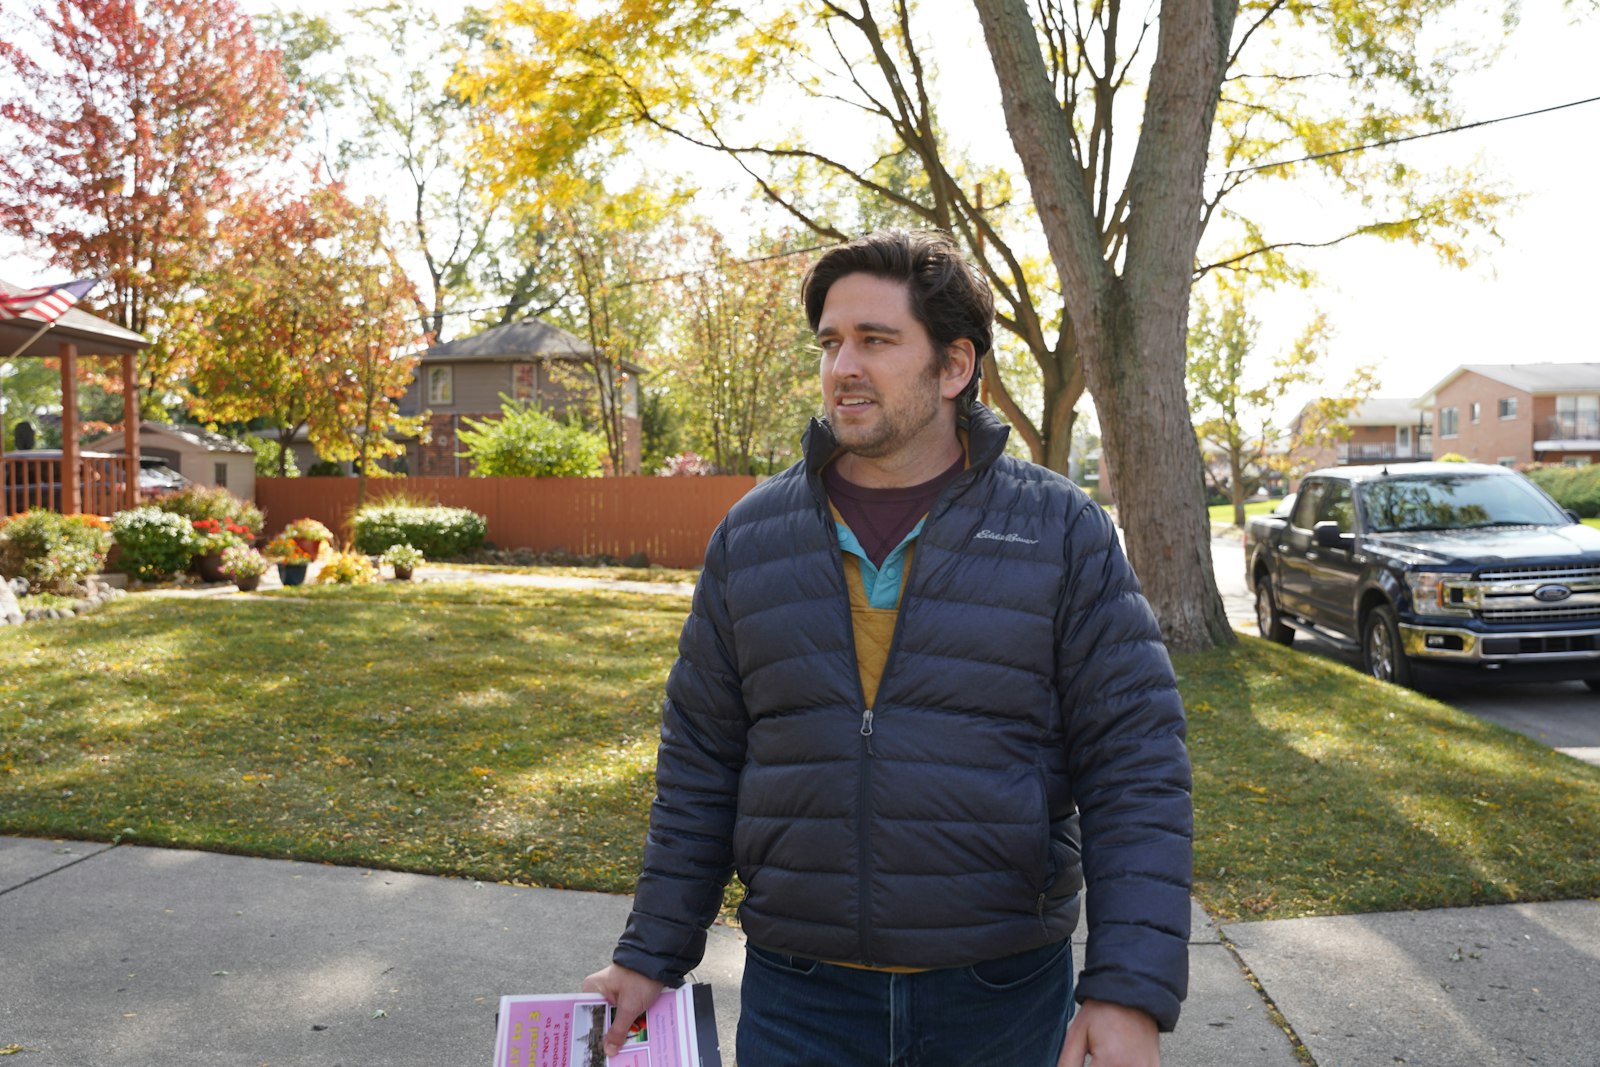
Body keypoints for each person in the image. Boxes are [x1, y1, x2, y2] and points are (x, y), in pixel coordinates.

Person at [584, 229, 1191, 1067]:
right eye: (832, 342)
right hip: (800, 996)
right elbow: (701, 763)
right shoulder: (753, 537)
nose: (843, 366)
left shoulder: (1060, 529)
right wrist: (652, 950)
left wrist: (1126, 988)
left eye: (876, 340)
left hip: (1001, 998)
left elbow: (1135, 764)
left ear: (953, 367)